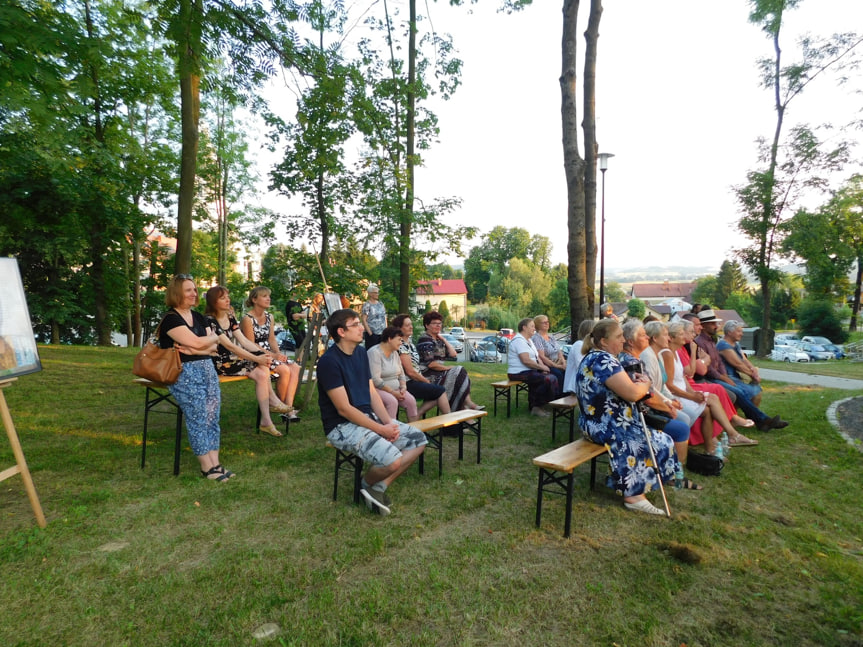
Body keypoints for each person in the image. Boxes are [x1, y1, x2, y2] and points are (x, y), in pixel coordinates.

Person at [318, 308, 427, 515]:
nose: (362, 328)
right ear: (341, 332)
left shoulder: (360, 353)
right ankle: (365, 484)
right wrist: (380, 429)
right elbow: (344, 409)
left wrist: (388, 423)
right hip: (341, 426)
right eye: (356, 324)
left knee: (418, 440)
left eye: (360, 323)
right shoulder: (329, 362)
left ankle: (377, 486)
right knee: (393, 459)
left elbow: (371, 392)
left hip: (368, 418)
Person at [575, 318, 686, 515]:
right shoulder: (602, 360)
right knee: (643, 442)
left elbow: (622, 387)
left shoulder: (599, 357)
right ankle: (633, 495)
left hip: (606, 421)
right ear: (603, 341)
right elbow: (633, 394)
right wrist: (643, 384)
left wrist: (636, 383)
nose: (623, 340)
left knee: (662, 439)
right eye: (618, 337)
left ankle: (648, 482)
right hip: (603, 425)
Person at [158, 275, 235, 482]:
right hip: (184, 372)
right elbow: (201, 344)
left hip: (207, 369)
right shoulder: (171, 319)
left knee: (213, 415)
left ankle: (216, 462)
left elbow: (212, 346)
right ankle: (206, 467)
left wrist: (200, 344)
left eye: (194, 289)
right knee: (198, 416)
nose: (194, 293)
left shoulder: (199, 317)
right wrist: (201, 344)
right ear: (176, 293)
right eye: (188, 290)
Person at [619, 319, 700, 488]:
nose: (647, 337)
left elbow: (655, 388)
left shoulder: (637, 359)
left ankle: (673, 468)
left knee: (682, 421)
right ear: (631, 342)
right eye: (642, 335)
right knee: (681, 427)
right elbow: (645, 396)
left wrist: (669, 403)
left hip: (644, 410)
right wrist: (667, 406)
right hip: (640, 415)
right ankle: (674, 474)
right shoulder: (631, 362)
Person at [204, 286, 291, 437]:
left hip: (232, 359)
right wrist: (257, 358)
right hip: (219, 362)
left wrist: (262, 354)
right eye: (223, 298)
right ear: (213, 302)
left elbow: (243, 341)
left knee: (263, 371)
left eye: (227, 296)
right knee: (261, 366)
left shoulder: (230, 318)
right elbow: (230, 346)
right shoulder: (209, 320)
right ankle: (273, 403)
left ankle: (266, 420)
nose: (228, 300)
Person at [662, 321, 759, 455]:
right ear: (671, 338)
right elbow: (675, 382)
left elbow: (685, 377)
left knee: (716, 395)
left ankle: (726, 437)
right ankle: (727, 436)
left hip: (685, 390)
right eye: (682, 333)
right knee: (718, 394)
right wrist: (692, 395)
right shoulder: (668, 354)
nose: (687, 335)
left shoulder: (676, 352)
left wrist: (692, 392)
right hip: (677, 396)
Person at [694, 309, 788, 431]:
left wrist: (726, 375)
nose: (716, 326)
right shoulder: (700, 342)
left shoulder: (712, 340)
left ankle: (760, 421)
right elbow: (709, 368)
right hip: (709, 379)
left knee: (741, 390)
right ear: (703, 325)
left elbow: (719, 362)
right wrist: (724, 378)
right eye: (712, 323)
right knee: (738, 392)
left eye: (715, 323)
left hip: (719, 377)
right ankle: (763, 420)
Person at [240, 286, 301, 421]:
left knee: (295, 367)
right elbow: (251, 344)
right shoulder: (247, 319)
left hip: (269, 351)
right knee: (284, 370)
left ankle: (288, 408)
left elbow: (272, 339)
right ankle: (281, 407)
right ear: (254, 299)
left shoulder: (269, 317)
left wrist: (279, 353)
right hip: (256, 354)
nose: (268, 299)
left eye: (269, 296)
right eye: (264, 296)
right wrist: (273, 356)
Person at [417, 311, 483, 412]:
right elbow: (430, 364)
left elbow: (453, 354)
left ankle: (462, 413)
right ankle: (466, 407)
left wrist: (444, 340)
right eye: (435, 323)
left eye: (440, 323)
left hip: (439, 373)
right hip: (428, 375)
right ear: (427, 325)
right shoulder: (425, 340)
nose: (438, 326)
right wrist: (447, 368)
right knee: (459, 371)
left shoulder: (439, 340)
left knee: (458, 380)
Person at [392, 314, 450, 417]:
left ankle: (418, 414)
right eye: (407, 325)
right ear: (399, 328)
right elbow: (410, 372)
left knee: (439, 388)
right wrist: (425, 381)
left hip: (416, 380)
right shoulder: (400, 345)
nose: (411, 327)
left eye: (411, 324)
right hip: (407, 383)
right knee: (439, 391)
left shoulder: (410, 344)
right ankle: (451, 423)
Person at [508, 317, 560, 417]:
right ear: (524, 328)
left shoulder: (529, 341)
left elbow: (537, 357)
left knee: (550, 376)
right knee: (547, 379)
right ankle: (537, 407)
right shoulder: (519, 340)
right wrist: (541, 368)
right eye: (532, 326)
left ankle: (538, 405)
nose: (534, 328)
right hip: (517, 373)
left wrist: (541, 368)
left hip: (528, 371)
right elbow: (526, 360)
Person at [367, 326, 420, 422]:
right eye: (399, 340)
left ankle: (414, 430)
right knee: (392, 401)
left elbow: (401, 374)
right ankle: (391, 431)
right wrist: (392, 392)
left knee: (411, 401)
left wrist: (403, 387)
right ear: (389, 339)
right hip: (376, 389)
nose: (401, 343)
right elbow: (375, 379)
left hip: (396, 389)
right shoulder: (374, 353)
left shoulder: (395, 353)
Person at [718, 320, 763, 403]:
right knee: (754, 391)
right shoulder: (723, 345)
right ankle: (751, 415)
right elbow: (738, 364)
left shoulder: (736, 344)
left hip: (737, 376)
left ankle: (749, 415)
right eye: (739, 331)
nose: (741, 334)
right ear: (729, 332)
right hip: (728, 377)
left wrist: (753, 369)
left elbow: (744, 360)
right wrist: (753, 376)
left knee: (757, 390)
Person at [532, 314, 566, 387]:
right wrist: (557, 366)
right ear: (538, 325)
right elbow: (541, 356)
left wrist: (563, 362)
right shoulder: (537, 338)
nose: (547, 323)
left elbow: (559, 351)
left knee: (569, 372)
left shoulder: (551, 336)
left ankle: (568, 396)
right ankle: (558, 397)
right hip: (547, 365)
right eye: (544, 322)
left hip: (557, 362)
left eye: (547, 322)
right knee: (558, 375)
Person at [562, 319, 594, 395]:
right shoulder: (579, 345)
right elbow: (582, 366)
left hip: (586, 383)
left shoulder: (591, 347)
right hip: (576, 385)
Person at [361, 283, 387, 349]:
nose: (377, 294)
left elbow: (384, 317)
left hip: (382, 334)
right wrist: (370, 333)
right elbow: (364, 319)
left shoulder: (381, 304)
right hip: (372, 334)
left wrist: (386, 330)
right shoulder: (367, 305)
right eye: (375, 293)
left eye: (377, 293)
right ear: (370, 294)